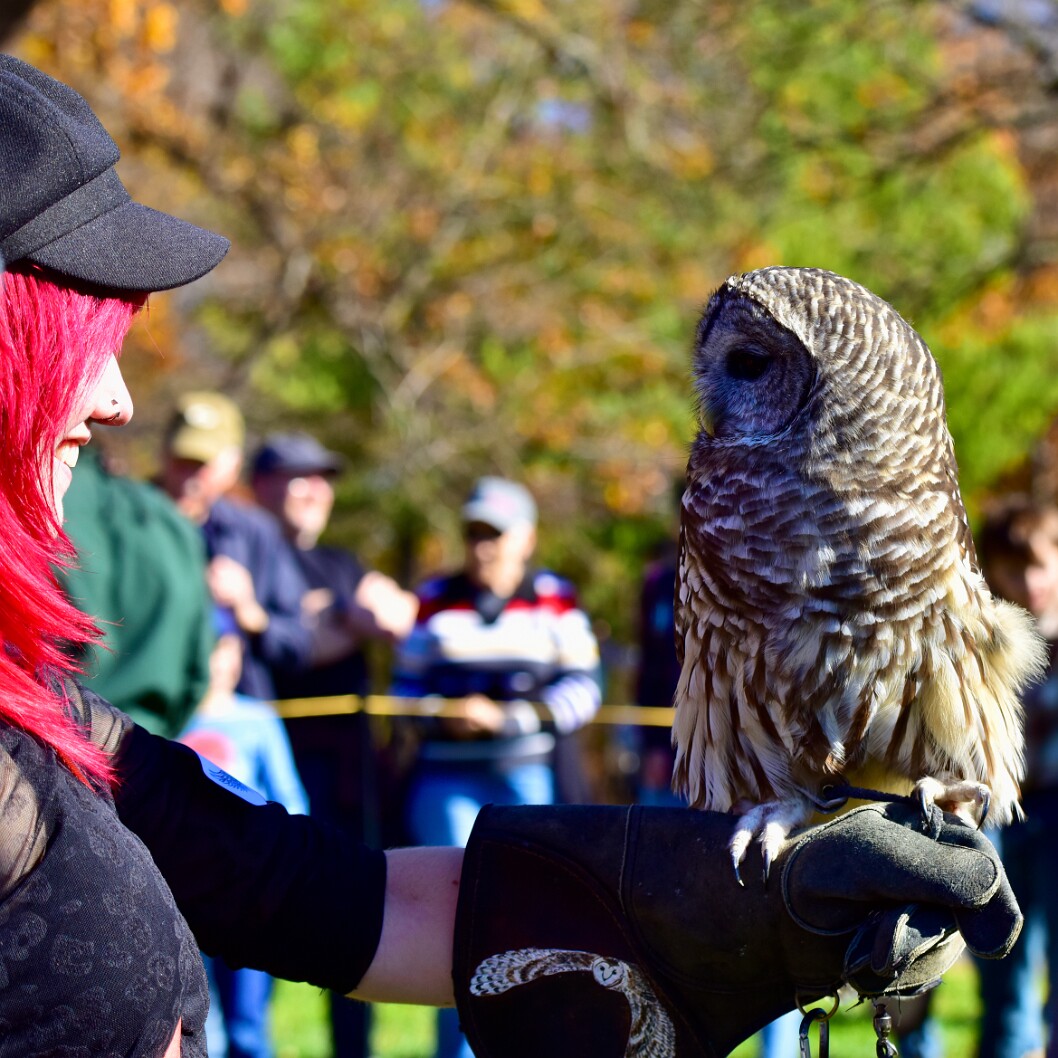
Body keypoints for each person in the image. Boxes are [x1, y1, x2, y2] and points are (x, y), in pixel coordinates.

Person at [0, 53, 1027, 1058]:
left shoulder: (43, 720)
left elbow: (310, 895)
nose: (117, 399)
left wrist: (701, 897)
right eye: (81, 343)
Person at [251, 430, 418, 1058]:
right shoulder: (249, 555)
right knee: (257, 909)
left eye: (323, 478)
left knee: (351, 909)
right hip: (269, 770)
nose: (316, 490)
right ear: (263, 486)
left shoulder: (341, 563)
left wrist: (327, 615)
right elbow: (290, 647)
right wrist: (339, 622)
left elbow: (396, 618)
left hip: (350, 775)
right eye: (300, 477)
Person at [180, 607, 309, 1058]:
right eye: (206, 649)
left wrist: (283, 866)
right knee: (196, 1022)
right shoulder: (168, 720)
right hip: (181, 894)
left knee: (249, 1023)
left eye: (225, 648)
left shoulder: (257, 719)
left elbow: (290, 797)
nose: (216, 661)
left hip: (248, 892)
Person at [972, 495, 1058, 1058]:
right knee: (1005, 974)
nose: (1028, 583)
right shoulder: (984, 641)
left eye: (1039, 566)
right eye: (1012, 569)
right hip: (1000, 816)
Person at [159, 392, 314, 700]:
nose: (190, 478)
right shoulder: (126, 524)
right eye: (181, 462)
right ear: (162, 455)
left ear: (233, 466)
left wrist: (250, 611)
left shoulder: (255, 534)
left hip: (234, 716)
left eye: (201, 464)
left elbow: (298, 644)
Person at [57, 444, 215, 736]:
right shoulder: (173, 524)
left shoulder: (37, 501)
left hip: (46, 735)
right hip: (142, 740)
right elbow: (198, 669)